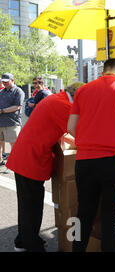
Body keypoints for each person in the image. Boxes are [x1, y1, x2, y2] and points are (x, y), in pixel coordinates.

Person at [67, 59, 115, 252]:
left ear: (104, 71)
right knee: (111, 217)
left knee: (84, 212)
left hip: (84, 160)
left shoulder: (83, 90)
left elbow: (71, 127)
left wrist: (88, 141)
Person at [6, 82, 84, 252]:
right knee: (31, 206)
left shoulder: (57, 99)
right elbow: (79, 135)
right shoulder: (64, 105)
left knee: (28, 203)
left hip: (26, 155)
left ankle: (22, 240)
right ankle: (31, 244)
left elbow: (64, 131)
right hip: (30, 159)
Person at [0, 73, 25, 171]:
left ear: (12, 80)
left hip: (12, 123)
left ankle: (14, 165)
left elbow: (17, 106)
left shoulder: (18, 91)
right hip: (1, 123)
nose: (4, 83)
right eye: (3, 81)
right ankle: (1, 161)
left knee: (14, 146)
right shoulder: (1, 92)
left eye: (6, 81)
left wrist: (2, 111)